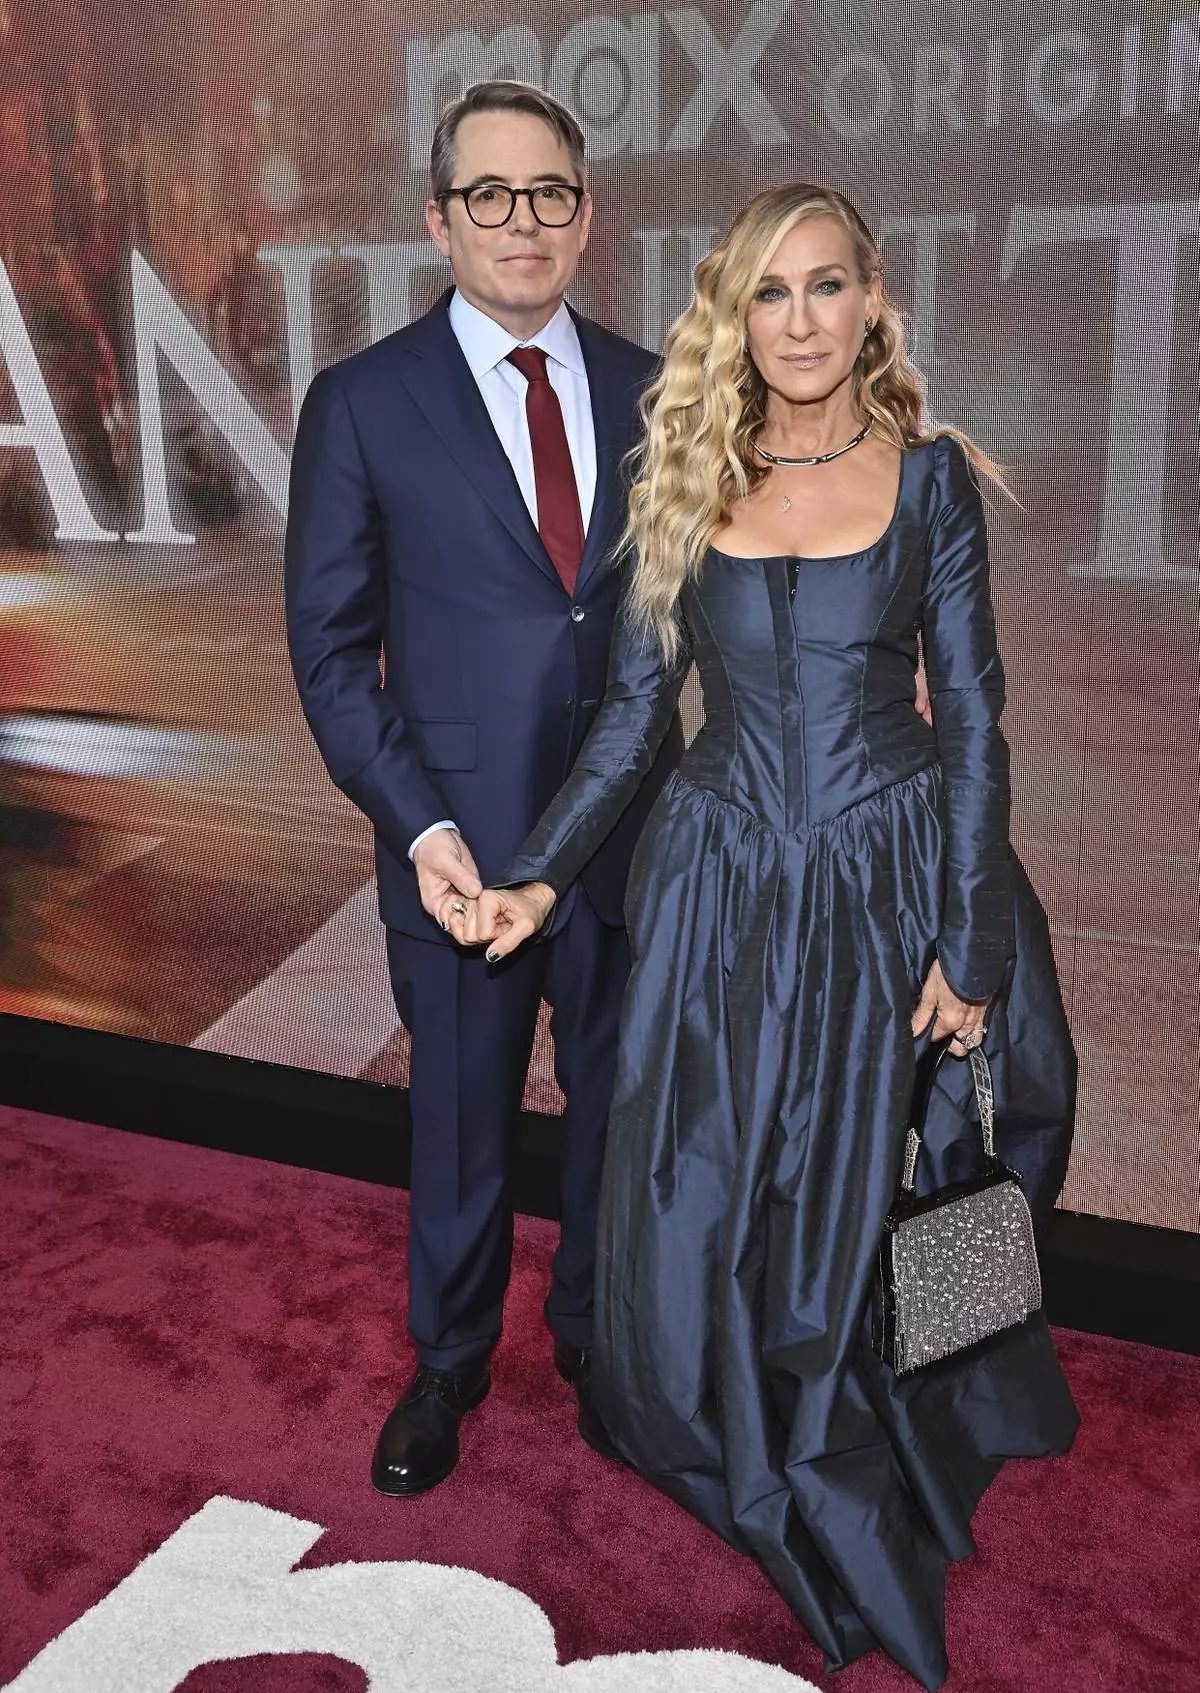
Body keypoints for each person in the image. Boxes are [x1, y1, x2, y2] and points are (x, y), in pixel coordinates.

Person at [460, 185, 1080, 1690]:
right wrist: (539, 878)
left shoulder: (926, 479)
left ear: (872, 301)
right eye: (767, 294)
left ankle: (893, 1404)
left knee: (901, 1166)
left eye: (825, 288)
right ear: (733, 317)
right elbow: (629, 722)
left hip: (887, 875)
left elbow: (979, 721)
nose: (798, 321)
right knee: (725, 1173)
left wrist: (974, 940)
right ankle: (734, 1404)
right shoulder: (680, 476)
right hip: (724, 885)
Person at [284, 81, 681, 1495]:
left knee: (621, 1107)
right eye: (492, 196)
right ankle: (450, 1361)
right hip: (456, 857)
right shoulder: (364, 402)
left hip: (630, 840)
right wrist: (426, 826)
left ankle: (594, 1336)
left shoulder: (657, 391)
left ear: (587, 213)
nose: (526, 222)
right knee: (460, 1125)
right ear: (439, 220)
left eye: (551, 193)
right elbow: (332, 658)